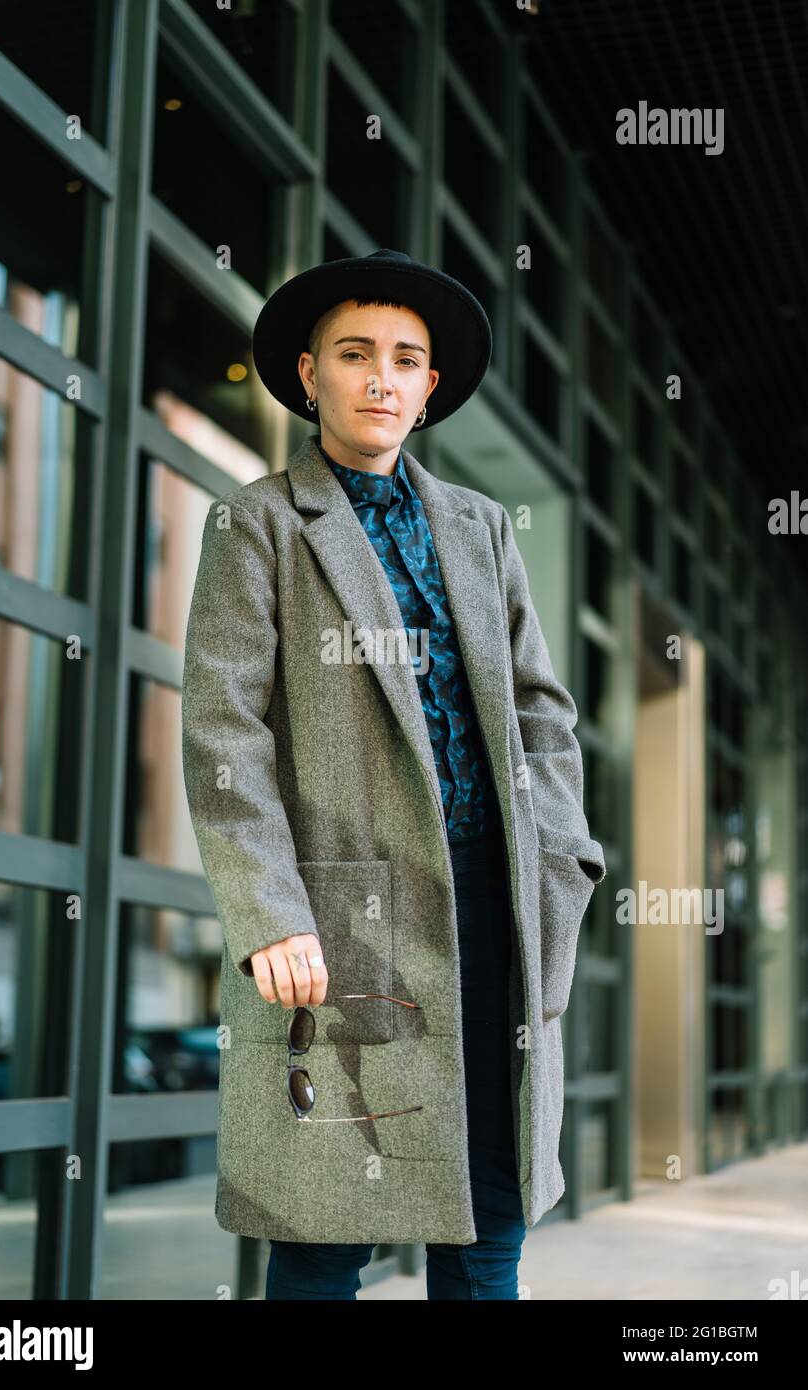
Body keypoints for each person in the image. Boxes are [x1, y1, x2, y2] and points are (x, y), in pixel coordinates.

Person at [181, 248, 606, 1300]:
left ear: (428, 389)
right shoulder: (259, 523)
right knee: (324, 1230)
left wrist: (561, 867)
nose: (380, 376)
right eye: (355, 353)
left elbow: (543, 715)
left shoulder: (478, 529)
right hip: (340, 927)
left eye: (405, 359)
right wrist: (268, 909)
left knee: (488, 1222)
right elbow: (222, 726)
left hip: (494, 913)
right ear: (308, 372)